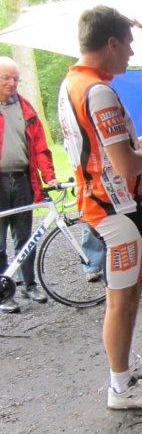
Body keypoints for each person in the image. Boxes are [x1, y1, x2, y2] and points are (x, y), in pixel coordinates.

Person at [57, 5, 142, 409]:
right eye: (128, 44)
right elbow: (125, 165)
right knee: (121, 298)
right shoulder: (99, 91)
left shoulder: (72, 83)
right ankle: (120, 387)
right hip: (114, 208)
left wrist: (137, 145)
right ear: (111, 43)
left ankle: (125, 360)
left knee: (135, 282)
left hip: (108, 203)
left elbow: (101, 151)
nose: (131, 53)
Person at [0, 56, 57, 314]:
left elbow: (40, 147)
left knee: (26, 237)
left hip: (23, 180)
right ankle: (4, 292)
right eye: (6, 78)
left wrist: (49, 176)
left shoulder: (26, 109)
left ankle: (29, 284)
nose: (11, 84)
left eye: (16, 79)